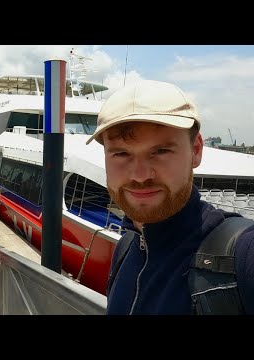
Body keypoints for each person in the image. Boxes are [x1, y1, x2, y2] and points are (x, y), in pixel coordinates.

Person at [86, 79, 254, 315]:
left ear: (195, 151)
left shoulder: (242, 255)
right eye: (121, 153)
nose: (140, 175)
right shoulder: (126, 248)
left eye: (161, 151)